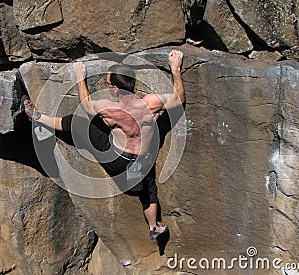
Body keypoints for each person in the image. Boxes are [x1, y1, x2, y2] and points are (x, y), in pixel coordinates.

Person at [24, 50, 185, 240]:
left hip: (117, 157)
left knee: (80, 123)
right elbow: (179, 98)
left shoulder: (110, 108)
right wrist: (175, 68)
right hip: (143, 158)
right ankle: (153, 226)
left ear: (115, 88)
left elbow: (86, 104)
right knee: (149, 193)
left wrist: (80, 78)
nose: (107, 86)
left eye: (107, 83)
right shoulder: (150, 103)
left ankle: (39, 118)